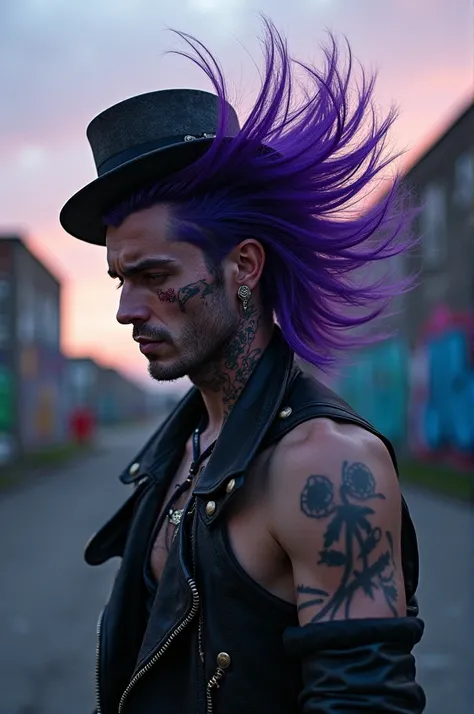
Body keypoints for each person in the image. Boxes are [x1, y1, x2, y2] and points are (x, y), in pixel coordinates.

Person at [60, 18, 426, 714]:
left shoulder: (326, 465)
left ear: (244, 268)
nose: (127, 310)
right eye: (119, 281)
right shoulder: (184, 445)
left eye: (156, 275)